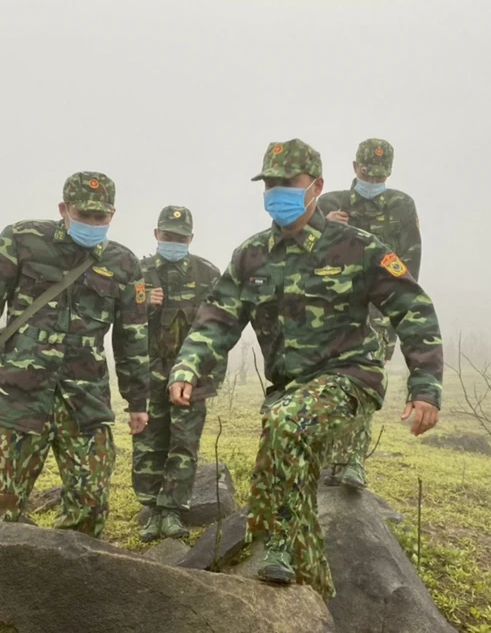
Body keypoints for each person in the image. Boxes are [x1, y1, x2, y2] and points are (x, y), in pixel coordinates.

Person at [167, 139, 443, 599]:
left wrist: (426, 387)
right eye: (270, 184)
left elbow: (414, 310)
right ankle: (290, 554)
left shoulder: (357, 247)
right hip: (289, 387)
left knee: (286, 421)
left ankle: (297, 558)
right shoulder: (252, 255)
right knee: (281, 437)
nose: (277, 192)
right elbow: (216, 318)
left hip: (350, 378)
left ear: (316, 186)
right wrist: (188, 366)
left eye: (288, 182)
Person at [0, 172, 149, 538]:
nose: (92, 223)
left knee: (90, 504)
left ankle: (68, 571)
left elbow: (133, 337)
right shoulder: (22, 239)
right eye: (83, 214)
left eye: (100, 216)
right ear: (64, 209)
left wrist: (138, 400)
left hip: (85, 401)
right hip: (16, 394)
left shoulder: (124, 263)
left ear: (112, 214)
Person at [318, 138, 423, 489]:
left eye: (380, 175)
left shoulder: (402, 207)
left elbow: (409, 268)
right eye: (367, 173)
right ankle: (324, 459)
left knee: (365, 381)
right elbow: (300, 254)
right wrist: (322, 228)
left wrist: (398, 319)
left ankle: (352, 461)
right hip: (330, 311)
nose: (373, 180)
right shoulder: (329, 203)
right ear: (354, 168)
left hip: (378, 312)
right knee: (327, 381)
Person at [133, 206, 222, 542]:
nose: (174, 242)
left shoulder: (207, 273)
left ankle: (172, 511)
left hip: (191, 375)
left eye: (181, 238)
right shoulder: (138, 273)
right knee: (148, 443)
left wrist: (210, 377)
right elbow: (118, 321)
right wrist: (142, 306)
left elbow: (219, 326)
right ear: (156, 234)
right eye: (168, 236)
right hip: (148, 372)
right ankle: (151, 510)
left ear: (191, 239)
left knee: (184, 443)